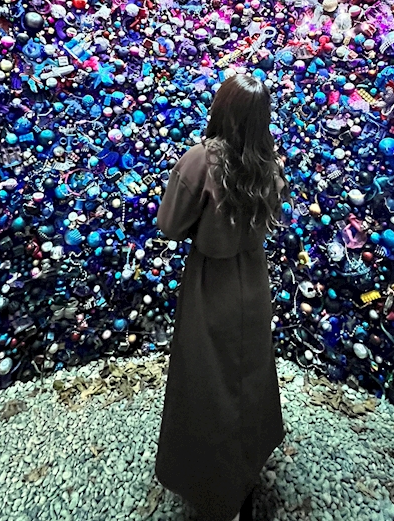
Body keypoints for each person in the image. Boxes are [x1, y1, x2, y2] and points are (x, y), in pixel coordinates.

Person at [154, 73, 290, 521]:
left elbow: (170, 225)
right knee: (249, 375)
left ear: (221, 108)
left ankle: (213, 487)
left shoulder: (200, 161)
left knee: (207, 382)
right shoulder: (268, 162)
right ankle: (245, 470)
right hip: (253, 280)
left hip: (211, 284)